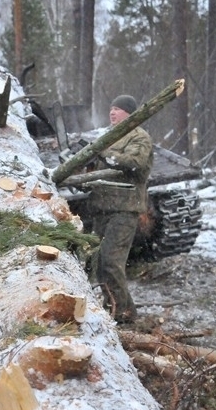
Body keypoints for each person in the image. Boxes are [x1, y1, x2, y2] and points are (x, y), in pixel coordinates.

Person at [89, 94, 153, 324]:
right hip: (103, 208)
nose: (112, 112)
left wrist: (103, 154)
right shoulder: (110, 136)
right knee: (99, 263)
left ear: (130, 113)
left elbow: (133, 163)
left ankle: (123, 316)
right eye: (111, 108)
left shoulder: (138, 137)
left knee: (111, 262)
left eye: (118, 109)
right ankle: (119, 310)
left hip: (124, 209)